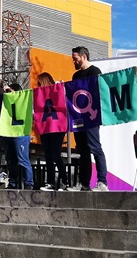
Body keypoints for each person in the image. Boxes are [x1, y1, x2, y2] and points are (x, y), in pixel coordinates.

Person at [68, 46, 108, 191]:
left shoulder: (95, 72)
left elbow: (100, 93)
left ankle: (102, 182)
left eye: (76, 59)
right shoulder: (75, 76)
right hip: (78, 118)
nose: (74, 62)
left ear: (84, 57)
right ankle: (84, 184)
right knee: (83, 151)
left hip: (91, 117)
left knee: (95, 148)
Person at [35, 72, 69, 191]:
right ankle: (51, 183)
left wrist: (61, 87)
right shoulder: (38, 94)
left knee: (55, 155)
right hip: (45, 126)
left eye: (39, 83)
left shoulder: (57, 90)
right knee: (48, 156)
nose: (38, 86)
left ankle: (64, 182)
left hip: (57, 127)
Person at [2, 83, 34, 190]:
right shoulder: (5, 102)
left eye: (10, 91)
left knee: (23, 159)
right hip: (8, 132)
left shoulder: (24, 101)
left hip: (20, 133)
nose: (8, 94)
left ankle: (28, 183)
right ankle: (12, 183)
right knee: (11, 160)